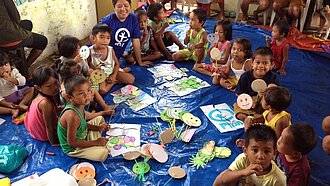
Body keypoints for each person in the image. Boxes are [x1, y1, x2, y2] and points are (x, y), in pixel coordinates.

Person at [58, 75, 109, 162]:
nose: (87, 95)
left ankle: (94, 141)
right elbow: (72, 143)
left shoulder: (80, 106)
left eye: (88, 90)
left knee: (99, 118)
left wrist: (98, 128)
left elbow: (83, 123)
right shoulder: (72, 116)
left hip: (82, 134)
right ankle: (94, 142)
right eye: (81, 93)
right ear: (70, 97)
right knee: (103, 153)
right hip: (74, 148)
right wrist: (96, 142)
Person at [213, 124, 286, 186]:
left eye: (266, 151)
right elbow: (218, 182)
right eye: (255, 150)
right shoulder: (243, 160)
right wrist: (242, 172)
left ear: (274, 154)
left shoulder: (278, 180)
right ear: (245, 151)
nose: (260, 156)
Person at [100, 0, 152, 66]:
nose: (123, 9)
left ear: (130, 6)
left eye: (126, 6)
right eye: (119, 6)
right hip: (105, 58)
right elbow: (99, 44)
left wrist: (140, 62)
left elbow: (136, 41)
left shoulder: (133, 19)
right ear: (114, 8)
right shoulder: (106, 21)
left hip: (117, 57)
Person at [234, 46, 279, 121]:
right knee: (239, 114)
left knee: (271, 89)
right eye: (258, 62)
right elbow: (239, 94)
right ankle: (251, 119)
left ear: (272, 64)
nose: (261, 66)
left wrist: (265, 96)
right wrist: (249, 102)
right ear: (252, 63)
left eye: (265, 63)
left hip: (263, 104)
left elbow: (275, 97)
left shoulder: (272, 78)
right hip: (247, 101)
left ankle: (257, 117)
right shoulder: (245, 76)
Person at [88, 24, 135, 95]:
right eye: (101, 37)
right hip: (100, 75)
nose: (105, 41)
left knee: (131, 79)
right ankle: (114, 82)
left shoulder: (110, 50)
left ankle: (118, 74)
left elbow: (116, 64)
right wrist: (95, 69)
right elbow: (88, 65)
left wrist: (113, 75)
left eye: (108, 38)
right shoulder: (90, 51)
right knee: (102, 90)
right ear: (94, 38)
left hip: (111, 71)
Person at [0, 0, 48, 67]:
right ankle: (25, 66)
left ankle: (13, 52)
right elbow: (16, 18)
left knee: (27, 24)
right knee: (42, 41)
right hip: (5, 38)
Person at [24, 66, 59, 145]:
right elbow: (49, 126)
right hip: (43, 135)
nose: (55, 87)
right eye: (48, 86)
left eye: (56, 82)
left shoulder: (38, 95)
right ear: (38, 88)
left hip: (33, 132)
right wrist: (54, 143)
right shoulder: (46, 103)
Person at [0, 50, 33, 118]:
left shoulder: (14, 71)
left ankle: (21, 105)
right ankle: (11, 110)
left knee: (32, 89)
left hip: (17, 94)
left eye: (6, 64)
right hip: (5, 100)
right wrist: (7, 104)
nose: (4, 68)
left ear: (10, 64)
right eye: (0, 67)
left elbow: (23, 81)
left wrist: (11, 79)